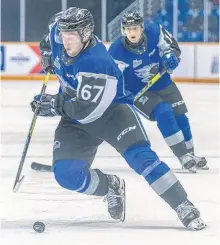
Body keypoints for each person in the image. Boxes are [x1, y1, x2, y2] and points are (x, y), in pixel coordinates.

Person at [31, 7, 206, 230]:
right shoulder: (59, 33)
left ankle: (183, 204)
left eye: (72, 36)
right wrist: (47, 51)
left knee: (143, 160)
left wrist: (54, 104)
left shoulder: (97, 62)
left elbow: (87, 111)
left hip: (113, 114)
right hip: (74, 117)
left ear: (85, 34)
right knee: (66, 175)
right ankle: (110, 186)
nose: (66, 42)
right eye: (64, 36)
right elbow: (51, 33)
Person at [108, 11, 208, 173]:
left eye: (135, 28)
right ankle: (182, 155)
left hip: (162, 82)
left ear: (142, 28)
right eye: (128, 29)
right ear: (123, 31)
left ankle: (191, 154)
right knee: (164, 111)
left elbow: (172, 48)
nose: (132, 32)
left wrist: (170, 56)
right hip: (138, 91)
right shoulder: (116, 50)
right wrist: (121, 95)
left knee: (181, 117)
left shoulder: (155, 31)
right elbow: (113, 77)